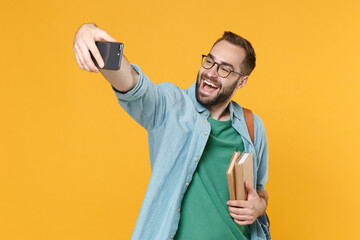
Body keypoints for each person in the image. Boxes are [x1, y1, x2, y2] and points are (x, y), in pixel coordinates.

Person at [73, 23, 270, 240]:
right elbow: (133, 85)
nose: (211, 73)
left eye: (224, 69)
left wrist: (259, 205)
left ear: (242, 81)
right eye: (209, 61)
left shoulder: (252, 126)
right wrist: (91, 36)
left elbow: (259, 188)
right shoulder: (171, 106)